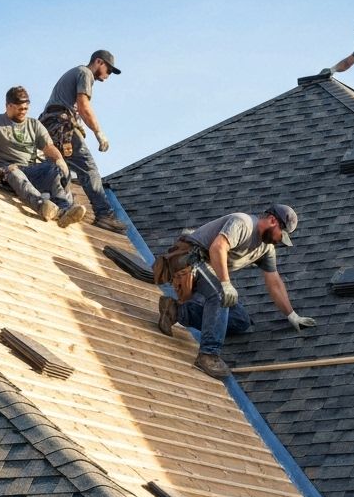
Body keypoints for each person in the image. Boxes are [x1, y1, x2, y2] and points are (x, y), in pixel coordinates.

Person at [156, 205, 316, 379]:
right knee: (221, 295)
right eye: (281, 234)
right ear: (272, 220)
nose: (279, 241)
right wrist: (225, 284)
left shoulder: (266, 249)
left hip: (208, 270)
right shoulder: (243, 223)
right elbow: (217, 248)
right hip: (189, 260)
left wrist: (292, 315)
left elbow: (274, 282)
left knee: (240, 320)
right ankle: (208, 355)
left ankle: (175, 311)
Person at [0, 86, 86, 227]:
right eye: (19, 109)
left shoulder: (34, 125)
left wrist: (59, 160)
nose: (23, 112)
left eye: (26, 109)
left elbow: (49, 147)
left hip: (32, 172)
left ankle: (65, 210)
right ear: (8, 106)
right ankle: (43, 206)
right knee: (13, 171)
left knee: (53, 169)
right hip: (7, 173)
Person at [39, 50, 127, 233]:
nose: (108, 76)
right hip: (62, 127)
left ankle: (57, 204)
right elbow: (83, 106)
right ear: (99, 62)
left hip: (51, 127)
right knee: (88, 168)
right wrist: (98, 132)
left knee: (60, 170)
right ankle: (105, 215)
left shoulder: (76, 73)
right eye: (109, 70)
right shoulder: (85, 73)